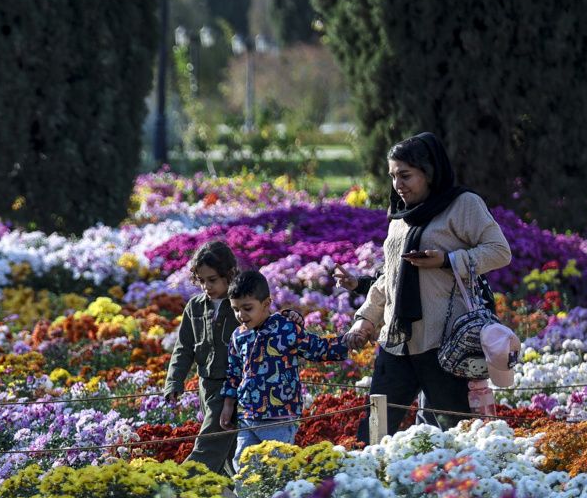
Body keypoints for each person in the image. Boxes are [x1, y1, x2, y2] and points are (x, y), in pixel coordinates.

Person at [344, 132, 511, 442]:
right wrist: (365, 320)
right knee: (373, 433)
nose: (398, 184)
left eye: (405, 175)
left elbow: (499, 251)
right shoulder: (400, 216)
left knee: (457, 436)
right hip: (397, 342)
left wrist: (448, 260)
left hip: (444, 345)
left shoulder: (463, 205)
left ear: (429, 172)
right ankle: (367, 476)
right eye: (393, 176)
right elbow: (390, 277)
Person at [219, 270, 350, 468]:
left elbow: (315, 348)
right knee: (244, 466)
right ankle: (247, 491)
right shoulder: (239, 335)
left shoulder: (285, 328)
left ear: (266, 304)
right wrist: (228, 405)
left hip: (280, 415)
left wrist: (348, 342)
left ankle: (283, 490)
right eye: (236, 309)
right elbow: (234, 372)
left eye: (247, 308)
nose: (241, 315)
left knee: (279, 466)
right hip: (247, 415)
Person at [164, 240, 241, 474]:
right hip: (205, 385)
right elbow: (183, 348)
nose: (207, 286)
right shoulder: (195, 306)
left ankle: (183, 482)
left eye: (212, 280)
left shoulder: (241, 305)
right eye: (201, 281)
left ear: (230, 274)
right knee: (228, 448)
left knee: (209, 442)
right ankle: (236, 489)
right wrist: (174, 381)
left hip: (233, 386)